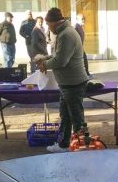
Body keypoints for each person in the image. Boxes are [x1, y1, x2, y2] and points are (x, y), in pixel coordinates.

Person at [36, 8, 89, 153]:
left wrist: (44, 64)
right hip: (68, 82)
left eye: (48, 24)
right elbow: (58, 55)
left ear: (55, 23)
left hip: (73, 83)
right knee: (66, 116)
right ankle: (64, 144)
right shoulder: (64, 32)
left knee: (76, 117)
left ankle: (81, 148)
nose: (48, 27)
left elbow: (61, 60)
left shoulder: (66, 35)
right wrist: (45, 58)